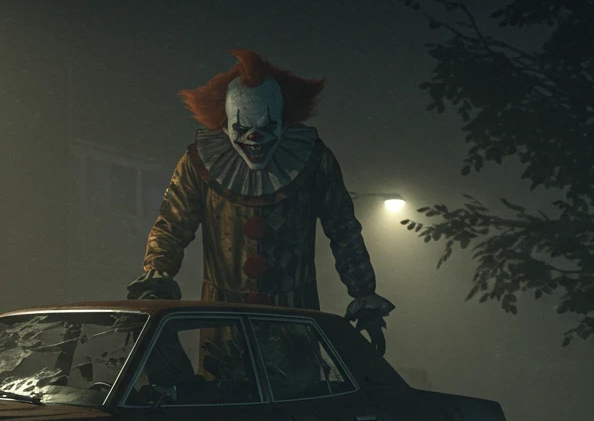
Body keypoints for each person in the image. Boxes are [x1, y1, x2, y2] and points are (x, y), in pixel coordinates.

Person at [127, 49, 395, 350]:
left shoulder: (314, 161)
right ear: (225, 125)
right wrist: (156, 276)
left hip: (294, 318)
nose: (255, 138)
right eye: (242, 128)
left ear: (283, 121)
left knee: (294, 390)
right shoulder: (197, 164)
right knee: (224, 389)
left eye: (267, 127)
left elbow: (343, 229)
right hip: (223, 319)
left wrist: (364, 296)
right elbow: (172, 227)